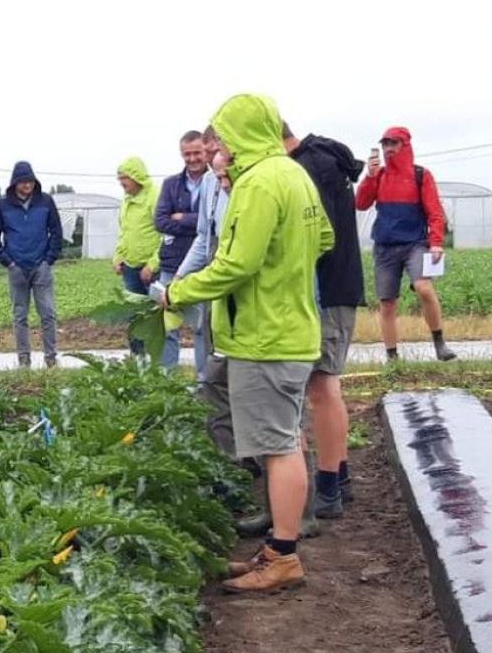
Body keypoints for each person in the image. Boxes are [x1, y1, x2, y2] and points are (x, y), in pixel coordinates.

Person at [157, 94, 332, 595]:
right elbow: (323, 240)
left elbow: (236, 264)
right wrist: (286, 273)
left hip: (265, 335)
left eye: (225, 137)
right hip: (288, 326)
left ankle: (283, 557)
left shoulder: (257, 183)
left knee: (278, 447)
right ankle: (278, 547)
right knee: (283, 438)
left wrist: (177, 292)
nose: (220, 147)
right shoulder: (293, 174)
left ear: (245, 133)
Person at [285, 123, 365, 517]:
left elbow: (317, 237)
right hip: (331, 289)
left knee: (321, 386)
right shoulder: (314, 161)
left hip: (329, 291)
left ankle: (329, 490)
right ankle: (341, 477)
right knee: (322, 385)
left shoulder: (311, 167)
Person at [355, 125, 456, 361]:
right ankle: (392, 357)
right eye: (385, 144)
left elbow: (435, 212)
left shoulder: (421, 175)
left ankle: (440, 344)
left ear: (405, 145)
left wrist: (436, 242)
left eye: (393, 143)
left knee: (423, 288)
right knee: (387, 304)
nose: (388, 149)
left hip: (415, 244)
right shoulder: (378, 176)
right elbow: (360, 203)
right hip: (385, 247)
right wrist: (368, 178)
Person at [174, 144, 234, 457]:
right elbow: (203, 237)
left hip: (235, 282)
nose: (209, 159)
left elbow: (236, 261)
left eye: (214, 150)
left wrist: (181, 292)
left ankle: (246, 457)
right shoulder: (211, 183)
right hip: (216, 282)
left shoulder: (248, 184)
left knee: (231, 375)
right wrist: (180, 277)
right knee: (216, 372)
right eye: (208, 152)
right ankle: (226, 459)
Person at [0, 161, 64, 367]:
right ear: (15, 183)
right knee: (20, 316)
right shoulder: (1, 206)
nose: (27, 185)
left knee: (48, 314)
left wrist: (49, 260)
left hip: (41, 267)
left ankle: (51, 359)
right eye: (23, 181)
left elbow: (56, 232)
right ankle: (24, 360)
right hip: (17, 268)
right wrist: (9, 263)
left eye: (30, 181)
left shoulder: (45, 202)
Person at [153, 133, 209, 369]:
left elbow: (215, 223)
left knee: (202, 327)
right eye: (187, 154)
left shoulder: (216, 181)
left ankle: (203, 382)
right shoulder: (171, 184)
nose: (193, 158)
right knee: (167, 326)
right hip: (172, 263)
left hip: (203, 265)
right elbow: (160, 221)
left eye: (197, 153)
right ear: (181, 154)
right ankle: (167, 380)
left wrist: (183, 217)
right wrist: (197, 223)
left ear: (205, 151)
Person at [112, 156, 159, 356]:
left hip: (152, 270)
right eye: (120, 178)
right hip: (130, 269)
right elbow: (125, 233)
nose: (122, 183)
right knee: (134, 315)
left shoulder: (155, 197)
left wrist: (153, 264)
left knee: (155, 317)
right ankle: (137, 359)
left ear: (137, 177)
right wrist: (118, 256)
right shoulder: (126, 201)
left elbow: (166, 235)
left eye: (125, 178)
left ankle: (156, 361)